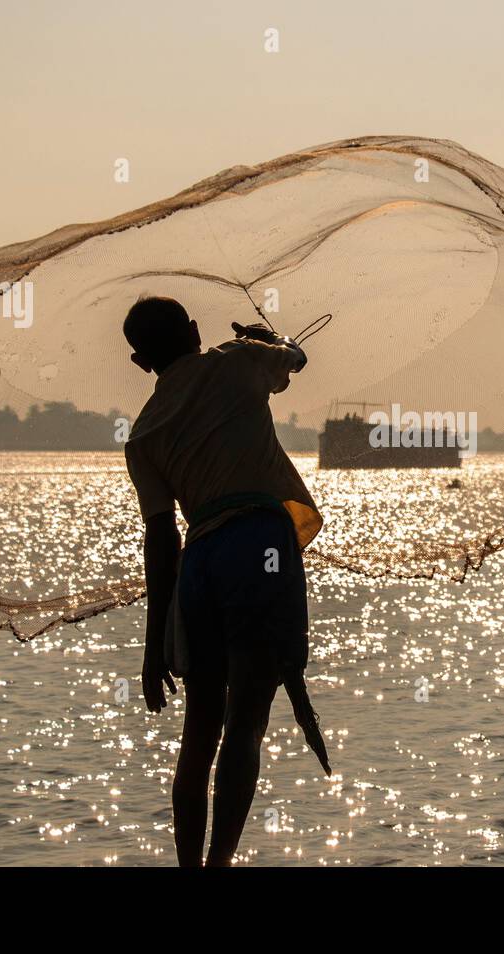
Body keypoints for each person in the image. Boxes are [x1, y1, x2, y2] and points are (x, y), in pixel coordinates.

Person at [121, 295, 326, 867]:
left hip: (201, 561)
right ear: (194, 332)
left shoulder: (142, 436)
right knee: (247, 720)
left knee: (201, 730)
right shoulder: (236, 361)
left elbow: (162, 543)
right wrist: (268, 338)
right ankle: (219, 866)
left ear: (141, 363)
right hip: (258, 546)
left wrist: (152, 644)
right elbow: (296, 358)